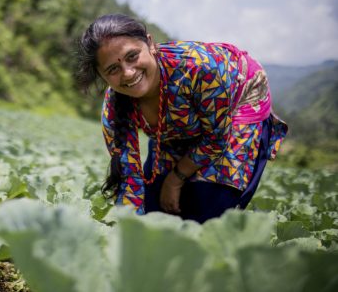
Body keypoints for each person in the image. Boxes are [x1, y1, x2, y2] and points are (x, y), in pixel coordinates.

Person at [76, 13, 288, 223]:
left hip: (238, 98)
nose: (128, 73)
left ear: (150, 44)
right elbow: (129, 182)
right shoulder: (114, 109)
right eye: (113, 68)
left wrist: (175, 179)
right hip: (181, 121)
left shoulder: (200, 68)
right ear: (102, 75)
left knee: (209, 209)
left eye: (132, 56)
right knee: (154, 209)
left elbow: (216, 139)